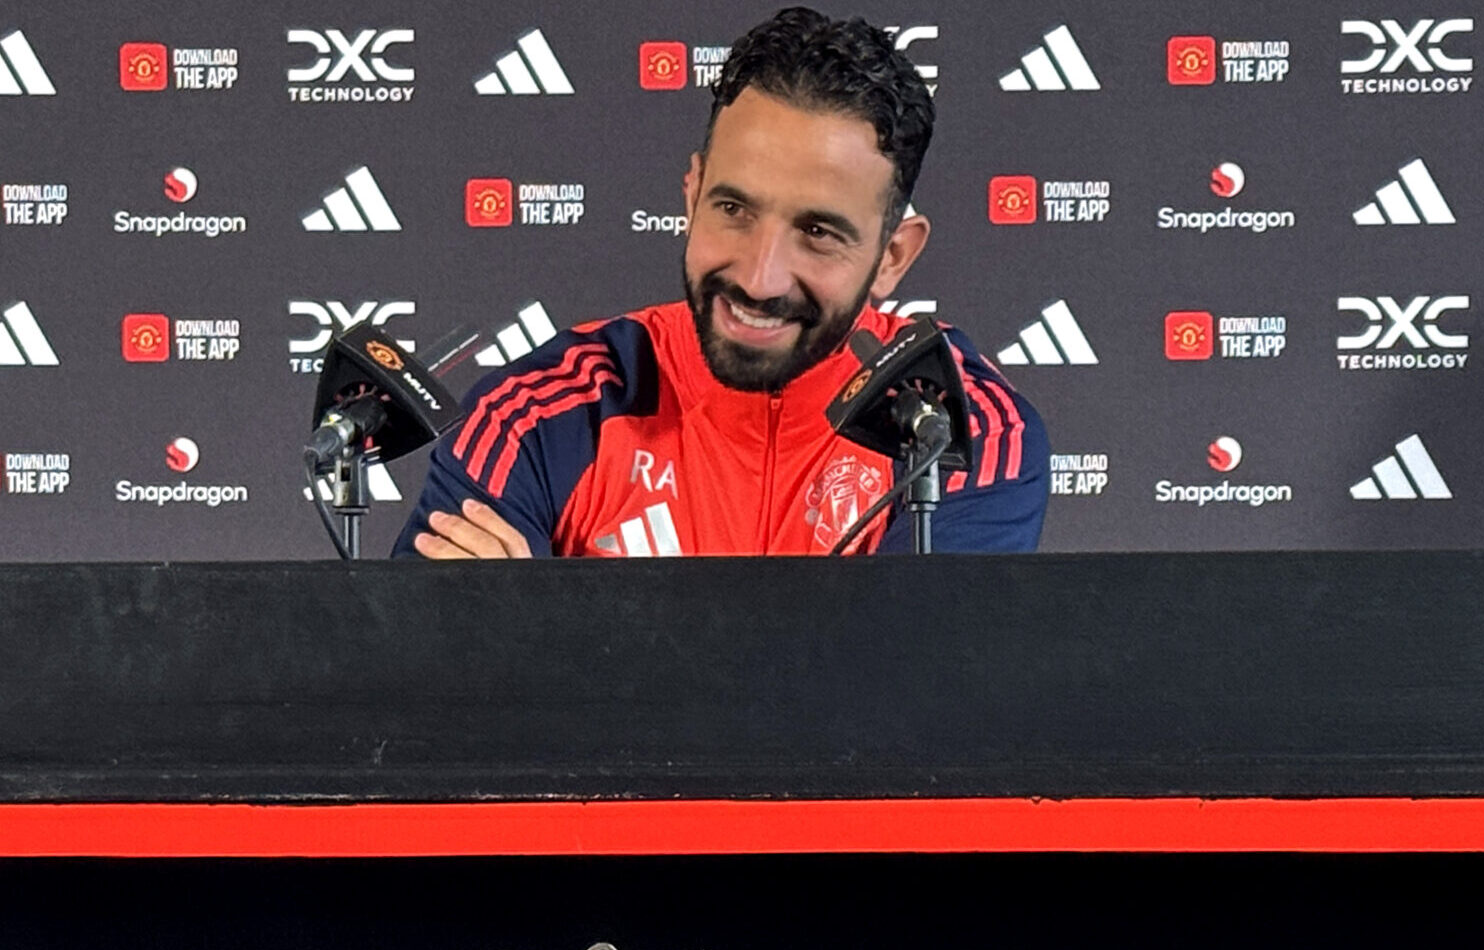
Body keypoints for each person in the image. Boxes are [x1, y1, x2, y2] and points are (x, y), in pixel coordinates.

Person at [397, 6, 1049, 559]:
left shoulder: (962, 431)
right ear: (692, 193)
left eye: (817, 233)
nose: (760, 278)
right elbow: (438, 687)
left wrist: (544, 630)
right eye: (733, 210)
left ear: (892, 257)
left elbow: (915, 693)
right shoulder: (536, 415)